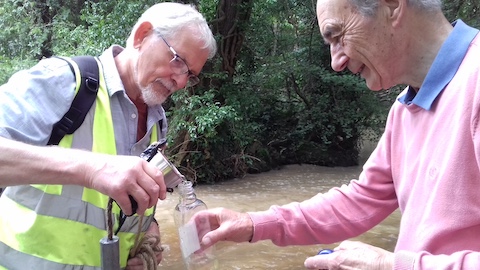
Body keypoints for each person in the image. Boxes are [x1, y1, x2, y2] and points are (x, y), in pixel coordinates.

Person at [190, 0, 480, 269]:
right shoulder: (404, 108)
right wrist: (255, 223)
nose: (336, 62)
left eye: (337, 35)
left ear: (392, 5)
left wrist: (389, 265)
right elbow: (361, 200)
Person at [0, 2, 217, 270]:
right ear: (142, 36)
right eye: (178, 61)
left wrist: (148, 232)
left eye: (190, 74)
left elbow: (122, 205)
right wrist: (92, 169)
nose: (181, 82)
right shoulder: (65, 81)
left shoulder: (158, 123)